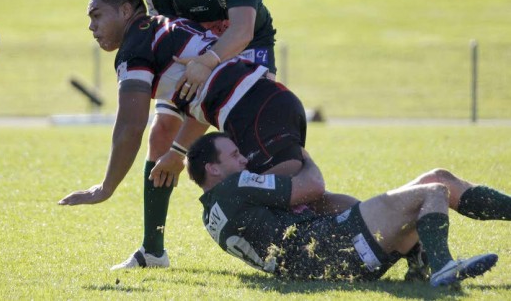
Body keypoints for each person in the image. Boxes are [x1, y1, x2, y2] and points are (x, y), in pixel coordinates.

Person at [58, 0, 353, 264]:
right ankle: (380, 230)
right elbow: (205, 105)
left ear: (125, 11)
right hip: (266, 105)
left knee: (293, 200)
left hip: (256, 113)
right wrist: (176, 151)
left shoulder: (136, 45)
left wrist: (105, 188)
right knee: (300, 200)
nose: (91, 26)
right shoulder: (168, 30)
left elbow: (130, 125)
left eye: (97, 15)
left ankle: (376, 238)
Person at [121, 0, 280, 270]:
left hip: (250, 49)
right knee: (160, 133)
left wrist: (207, 64)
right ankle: (152, 250)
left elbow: (241, 31)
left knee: (250, 153)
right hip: (196, 55)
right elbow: (167, 42)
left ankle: (281, 236)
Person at [186, 131, 510, 286]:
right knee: (434, 191)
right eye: (233, 155)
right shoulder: (235, 185)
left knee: (438, 177)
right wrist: (301, 153)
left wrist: (375, 213)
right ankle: (442, 267)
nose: (243, 159)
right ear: (212, 169)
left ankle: (420, 260)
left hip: (329, 253)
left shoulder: (213, 212)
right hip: (332, 249)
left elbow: (319, 202)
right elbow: (313, 186)